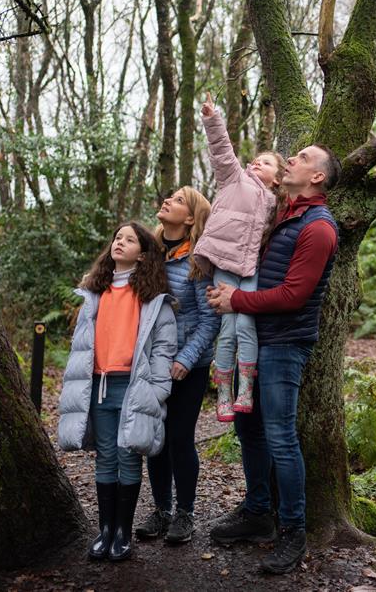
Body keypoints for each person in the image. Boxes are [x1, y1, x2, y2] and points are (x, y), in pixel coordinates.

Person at [206, 143, 341, 574]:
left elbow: (294, 295)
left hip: (285, 343)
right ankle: (258, 513)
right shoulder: (282, 215)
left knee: (281, 437)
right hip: (255, 340)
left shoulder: (318, 227)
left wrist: (236, 300)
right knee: (249, 429)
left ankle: (293, 533)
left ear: (317, 177)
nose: (290, 161)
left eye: (300, 158)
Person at [57, 222, 176, 563]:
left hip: (134, 386)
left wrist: (156, 389)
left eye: (129, 239)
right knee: (106, 456)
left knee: (128, 456)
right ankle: (105, 531)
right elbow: (81, 346)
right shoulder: (95, 292)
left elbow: (164, 349)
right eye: (117, 238)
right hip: (97, 386)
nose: (120, 243)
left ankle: (123, 532)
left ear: (143, 254)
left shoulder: (153, 298)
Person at [193, 91, 287, 422]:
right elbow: (222, 151)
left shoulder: (276, 204)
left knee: (247, 324)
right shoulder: (235, 179)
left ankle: (245, 386)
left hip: (250, 269)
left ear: (278, 178)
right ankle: (223, 392)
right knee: (228, 328)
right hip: (224, 264)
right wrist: (212, 119)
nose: (255, 163)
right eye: (256, 159)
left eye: (265, 162)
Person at [133, 186, 219, 544]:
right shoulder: (147, 256)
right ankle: (161, 510)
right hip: (150, 365)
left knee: (179, 438)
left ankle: (185, 513)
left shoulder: (198, 261)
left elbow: (209, 319)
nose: (168, 201)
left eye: (179, 200)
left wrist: (185, 359)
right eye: (169, 197)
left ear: (190, 218)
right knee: (155, 439)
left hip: (189, 366)